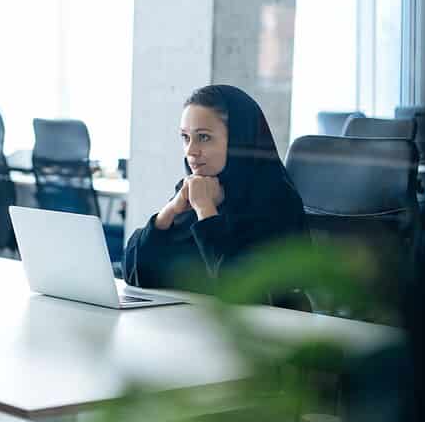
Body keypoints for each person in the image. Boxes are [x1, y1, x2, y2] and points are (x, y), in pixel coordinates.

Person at [122, 84, 306, 291]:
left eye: (204, 137)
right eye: (186, 137)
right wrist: (169, 213)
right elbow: (135, 273)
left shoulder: (276, 200)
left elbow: (240, 291)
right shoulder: (195, 189)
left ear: (239, 140)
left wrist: (206, 212)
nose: (191, 151)